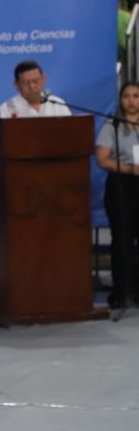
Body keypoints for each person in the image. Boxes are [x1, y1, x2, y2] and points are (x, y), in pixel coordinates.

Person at [96, 82, 139, 309]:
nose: (131, 100)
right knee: (122, 239)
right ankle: (123, 291)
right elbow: (102, 159)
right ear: (120, 99)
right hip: (122, 185)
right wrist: (130, 169)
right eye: (126, 96)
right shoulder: (112, 125)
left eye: (136, 96)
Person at [0, 60, 71, 118]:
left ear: (43, 79)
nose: (31, 86)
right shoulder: (5, 110)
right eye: (26, 83)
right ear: (16, 85)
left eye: (35, 81)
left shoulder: (58, 105)